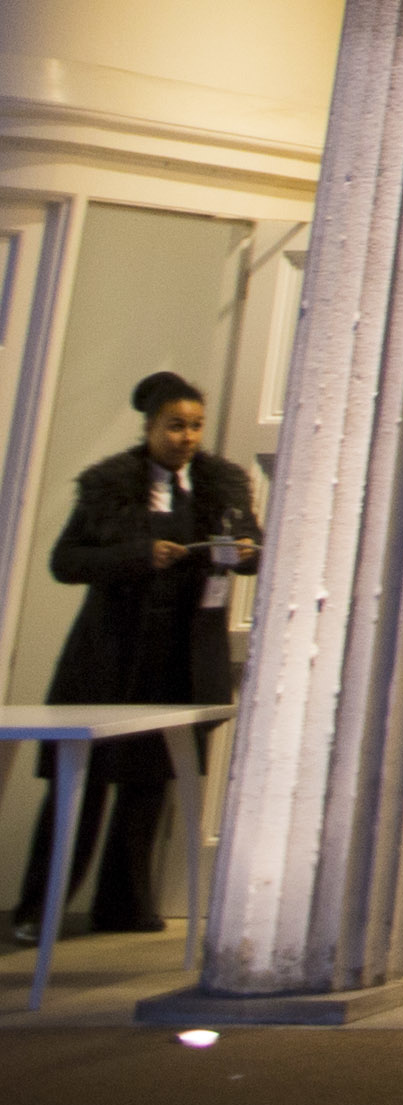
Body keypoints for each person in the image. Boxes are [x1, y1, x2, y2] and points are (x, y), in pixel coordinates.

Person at [12, 372, 256, 941]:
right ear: (149, 427)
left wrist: (244, 553)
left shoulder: (222, 486)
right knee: (82, 787)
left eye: (195, 426)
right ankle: (38, 911)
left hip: (183, 655)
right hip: (111, 654)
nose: (187, 437)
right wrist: (139, 555)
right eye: (175, 426)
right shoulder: (110, 487)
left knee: (151, 783)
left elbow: (250, 551)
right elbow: (66, 562)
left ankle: (124, 904)